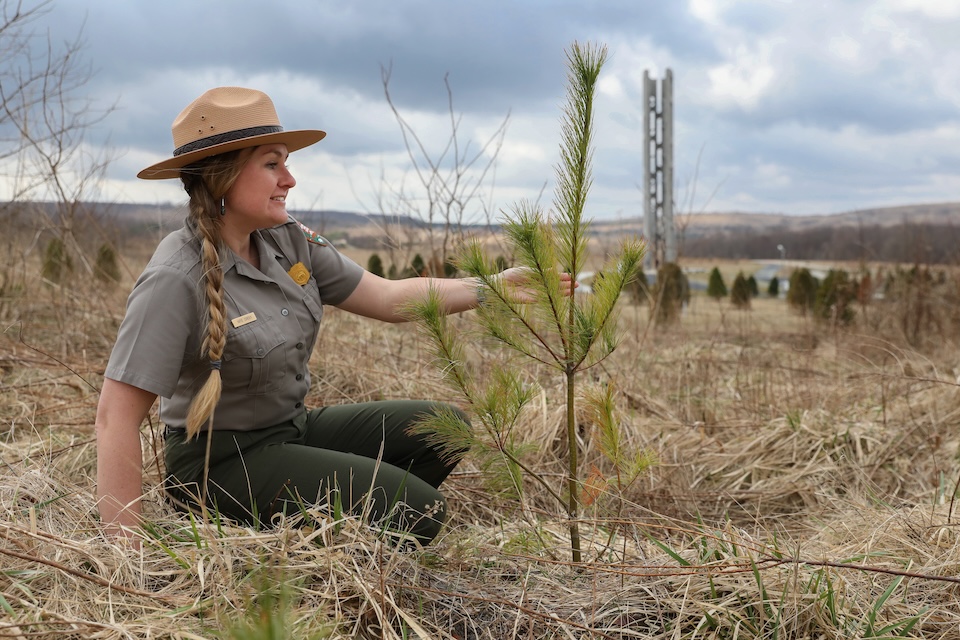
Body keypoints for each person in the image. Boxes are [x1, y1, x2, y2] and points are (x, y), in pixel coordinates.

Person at [95, 86, 574, 545]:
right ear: (223, 175)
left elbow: (387, 297)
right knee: (421, 509)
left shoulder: (287, 239)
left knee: (441, 429)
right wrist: (125, 552)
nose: (289, 179)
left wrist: (492, 287)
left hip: (291, 431)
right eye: (272, 164)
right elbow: (116, 415)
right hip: (216, 467)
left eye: (286, 163)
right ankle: (347, 522)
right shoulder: (176, 276)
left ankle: (341, 533)